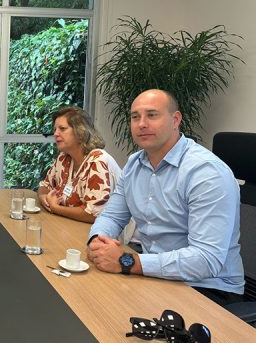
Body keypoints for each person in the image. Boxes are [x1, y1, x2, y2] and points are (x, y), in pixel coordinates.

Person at [86, 89, 244, 306]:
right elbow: (112, 217)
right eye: (135, 117)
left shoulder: (206, 173)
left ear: (175, 119)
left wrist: (126, 261)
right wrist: (98, 242)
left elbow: (205, 260)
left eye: (152, 115)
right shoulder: (134, 165)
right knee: (90, 300)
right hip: (155, 275)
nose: (141, 124)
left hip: (209, 289)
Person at [37, 107, 121, 224]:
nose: (55, 134)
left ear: (80, 132)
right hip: (71, 226)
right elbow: (45, 185)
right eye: (55, 129)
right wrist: (44, 198)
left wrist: (56, 208)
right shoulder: (64, 158)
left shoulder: (98, 161)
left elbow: (93, 214)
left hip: (107, 236)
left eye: (62, 129)